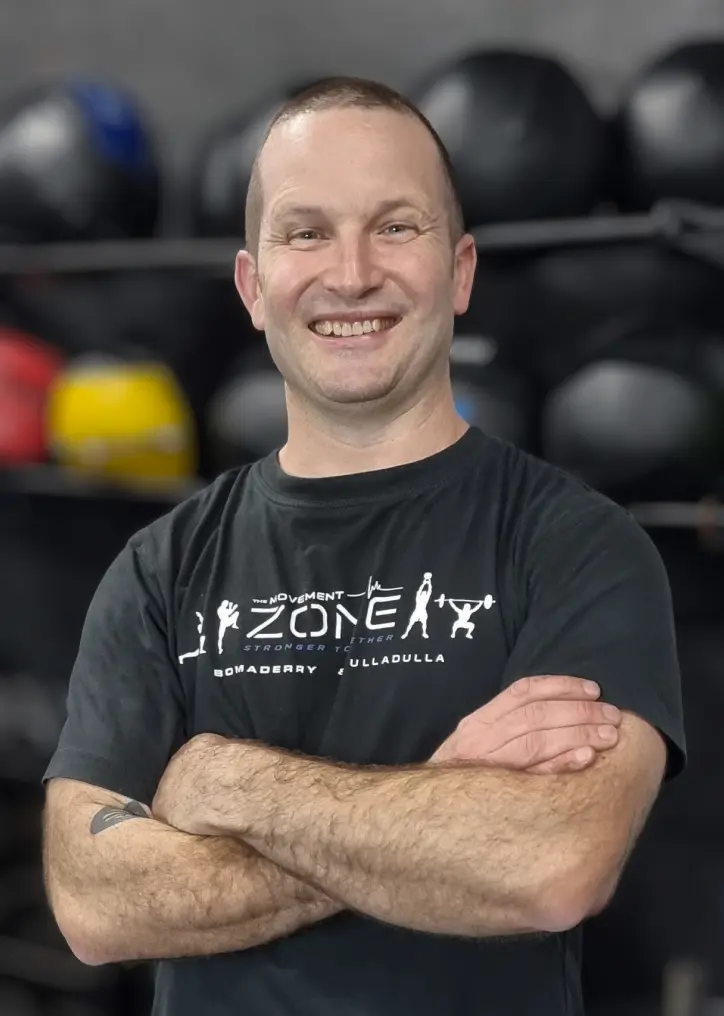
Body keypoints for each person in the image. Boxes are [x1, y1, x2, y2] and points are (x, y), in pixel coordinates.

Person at [41, 76, 686, 1016]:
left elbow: (549, 866)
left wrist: (225, 779)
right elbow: (96, 904)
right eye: (307, 232)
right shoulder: (160, 565)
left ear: (460, 272)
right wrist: (442, 802)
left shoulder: (578, 545)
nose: (350, 273)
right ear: (253, 287)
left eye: (396, 226)